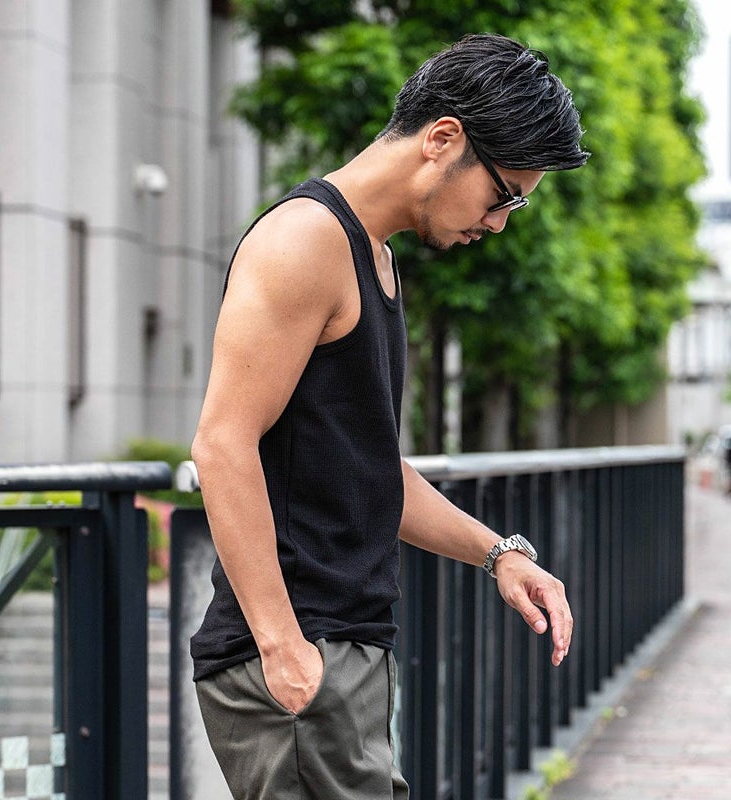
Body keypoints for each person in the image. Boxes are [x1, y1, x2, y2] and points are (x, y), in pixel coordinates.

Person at [190, 32, 589, 800]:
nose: (500, 223)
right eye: (504, 195)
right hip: (301, 654)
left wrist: (499, 554)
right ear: (443, 139)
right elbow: (222, 444)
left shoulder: (371, 255)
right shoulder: (306, 240)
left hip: (342, 647)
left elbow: (368, 468)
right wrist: (283, 650)